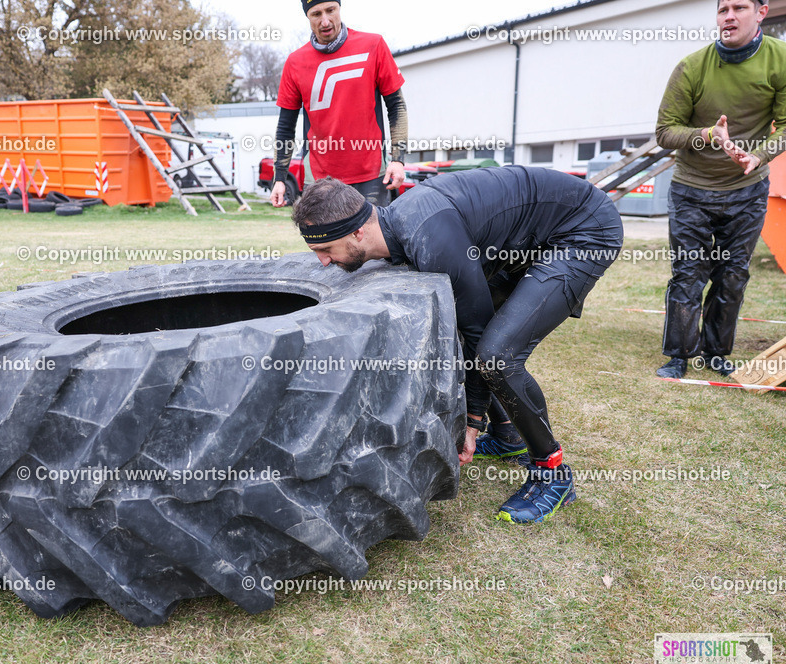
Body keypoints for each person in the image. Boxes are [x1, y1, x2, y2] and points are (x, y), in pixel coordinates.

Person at [291, 167, 624, 523]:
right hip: (527, 238)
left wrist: (471, 420)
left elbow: (478, 332)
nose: (322, 262)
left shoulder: (428, 238)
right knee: (480, 335)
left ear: (358, 231)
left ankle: (552, 472)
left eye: (325, 249)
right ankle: (509, 436)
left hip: (582, 228)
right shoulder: (399, 229)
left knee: (497, 355)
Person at [654, 0, 786, 379]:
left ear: (761, 12)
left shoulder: (779, 60)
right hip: (691, 189)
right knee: (688, 273)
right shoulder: (692, 67)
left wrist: (759, 157)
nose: (729, 16)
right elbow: (665, 132)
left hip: (747, 188)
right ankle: (678, 355)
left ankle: (716, 353)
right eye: (722, 9)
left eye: (739, 7)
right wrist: (708, 135)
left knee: (732, 274)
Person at [270, 0, 407, 208]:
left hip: (370, 176)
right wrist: (279, 178)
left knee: (373, 241)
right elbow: (285, 127)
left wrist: (398, 159)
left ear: (339, 9)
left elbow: (396, 106)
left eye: (330, 10)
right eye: (316, 14)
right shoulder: (295, 63)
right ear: (307, 17)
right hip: (319, 182)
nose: (325, 21)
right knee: (325, 242)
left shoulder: (373, 45)